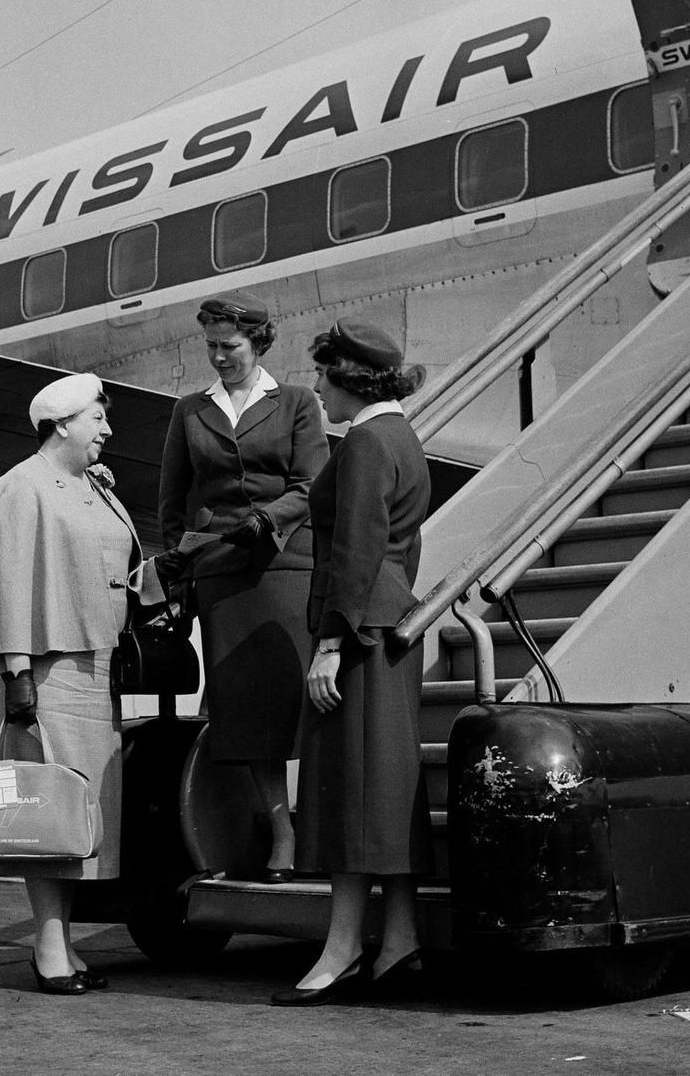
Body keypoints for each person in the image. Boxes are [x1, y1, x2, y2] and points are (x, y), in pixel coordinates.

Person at [0, 372, 160, 996]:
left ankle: (62, 943)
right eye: (98, 420)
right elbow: (8, 581)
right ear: (63, 423)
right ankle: (48, 949)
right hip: (44, 669)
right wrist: (17, 672)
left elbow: (120, 567)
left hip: (94, 665)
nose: (107, 431)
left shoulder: (95, 486)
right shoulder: (20, 487)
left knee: (76, 812)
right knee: (42, 806)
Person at [272, 317, 434, 1007]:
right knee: (386, 793)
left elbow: (358, 545)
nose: (315, 389)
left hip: (361, 633)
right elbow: (404, 545)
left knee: (350, 795)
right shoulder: (402, 437)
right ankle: (398, 940)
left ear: (349, 379)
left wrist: (332, 643)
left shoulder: (367, 441)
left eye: (321, 375)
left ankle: (340, 949)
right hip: (390, 623)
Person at [157, 291, 328, 880]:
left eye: (228, 346)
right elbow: (172, 498)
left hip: (285, 569)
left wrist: (269, 520)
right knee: (250, 713)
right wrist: (183, 561)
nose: (219, 358)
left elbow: (312, 485)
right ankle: (281, 834)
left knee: (297, 704)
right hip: (224, 577)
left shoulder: (299, 403)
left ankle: (319, 825)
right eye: (211, 347)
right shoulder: (190, 410)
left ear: (257, 343)